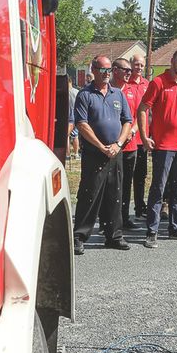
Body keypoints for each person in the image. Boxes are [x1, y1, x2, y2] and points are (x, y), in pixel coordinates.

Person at [139, 49, 177, 248]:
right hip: (163, 146)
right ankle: (152, 231)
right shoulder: (158, 82)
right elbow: (142, 109)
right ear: (172, 61)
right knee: (158, 188)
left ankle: (176, 227)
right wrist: (144, 136)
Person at [72, 56, 133, 254]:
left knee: (115, 194)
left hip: (115, 153)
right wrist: (100, 146)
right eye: (104, 70)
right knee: (90, 194)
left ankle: (113, 235)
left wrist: (118, 144)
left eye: (109, 70)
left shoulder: (118, 94)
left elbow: (127, 121)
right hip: (94, 153)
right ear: (94, 70)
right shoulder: (85, 94)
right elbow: (82, 124)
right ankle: (80, 236)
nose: (107, 74)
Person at [114, 58, 144, 230]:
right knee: (111, 184)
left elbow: (140, 115)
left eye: (129, 71)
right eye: (126, 70)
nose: (128, 73)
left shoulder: (133, 90)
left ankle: (124, 217)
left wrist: (132, 131)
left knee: (126, 184)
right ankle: (108, 219)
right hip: (112, 146)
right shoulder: (109, 90)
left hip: (130, 146)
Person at [128, 54, 151, 217]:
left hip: (142, 137)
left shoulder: (147, 85)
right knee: (127, 176)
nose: (139, 68)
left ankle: (139, 206)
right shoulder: (124, 84)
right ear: (130, 65)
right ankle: (122, 211)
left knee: (141, 175)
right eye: (136, 64)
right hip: (127, 137)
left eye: (142, 65)